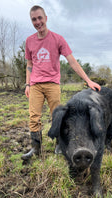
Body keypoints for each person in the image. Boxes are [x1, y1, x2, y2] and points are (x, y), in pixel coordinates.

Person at [21, 5, 101, 161]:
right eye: (34, 19)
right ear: (32, 21)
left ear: (45, 18)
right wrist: (27, 84)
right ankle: (36, 148)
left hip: (52, 84)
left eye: (40, 18)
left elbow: (71, 61)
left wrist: (87, 80)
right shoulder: (29, 41)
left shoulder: (58, 39)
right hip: (35, 85)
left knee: (57, 116)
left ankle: (59, 145)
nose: (37, 22)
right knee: (33, 117)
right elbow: (29, 64)